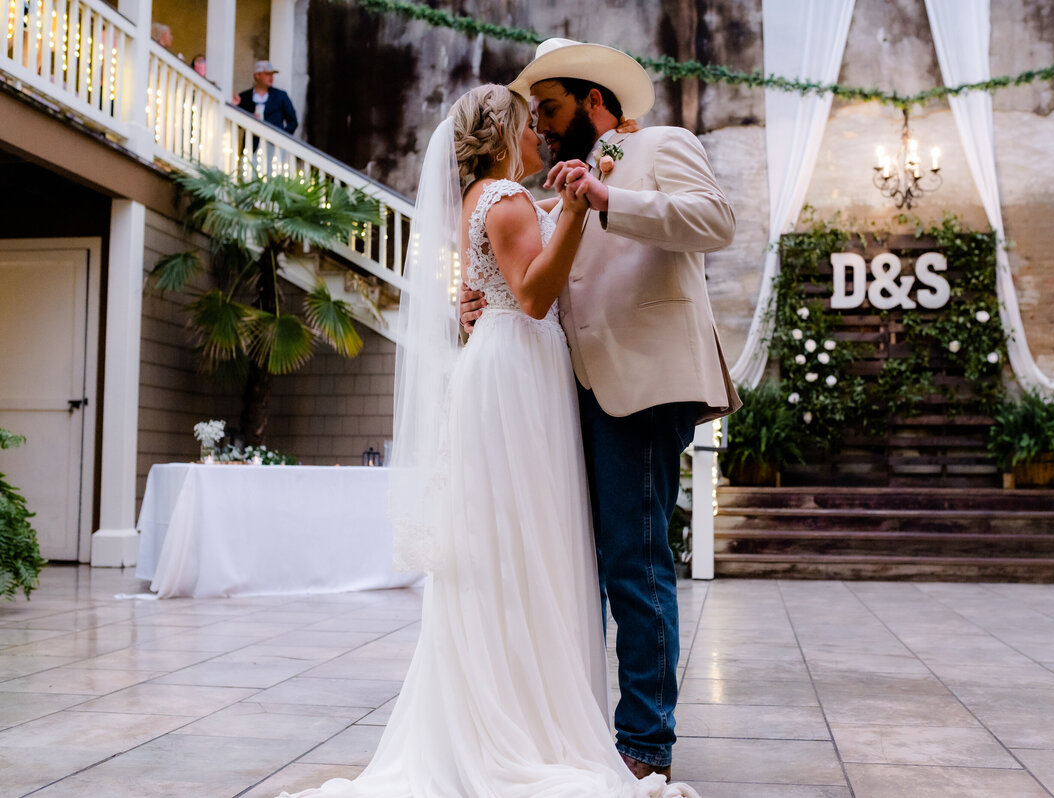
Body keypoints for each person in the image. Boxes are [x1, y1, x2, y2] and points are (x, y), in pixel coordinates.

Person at [278, 84, 698, 798]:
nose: (541, 132)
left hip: (517, 369)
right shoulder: (506, 197)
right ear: (505, 130)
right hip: (516, 379)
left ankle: (532, 713)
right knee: (521, 545)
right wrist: (571, 207)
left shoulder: (497, 198)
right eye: (530, 122)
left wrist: (489, 284)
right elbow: (533, 295)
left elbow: (507, 284)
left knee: (517, 547)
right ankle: (527, 725)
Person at [462, 38, 740, 781]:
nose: (543, 128)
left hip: (643, 382)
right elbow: (545, 289)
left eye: (550, 109)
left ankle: (646, 744)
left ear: (593, 101)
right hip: (568, 394)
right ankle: (578, 725)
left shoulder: (660, 146)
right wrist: (482, 302)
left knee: (633, 562)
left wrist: (610, 196)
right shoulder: (553, 191)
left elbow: (715, 221)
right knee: (573, 566)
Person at [236, 60, 298, 134]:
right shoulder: (244, 97)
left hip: (274, 143)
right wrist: (236, 108)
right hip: (252, 143)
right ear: (257, 75)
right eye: (267, 74)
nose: (271, 77)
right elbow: (238, 124)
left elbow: (293, 121)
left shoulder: (281, 96)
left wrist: (282, 136)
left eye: (272, 74)